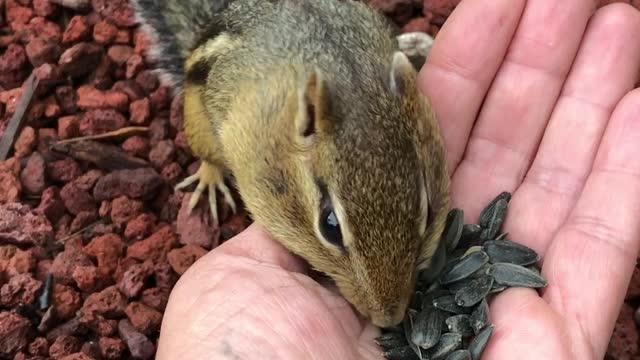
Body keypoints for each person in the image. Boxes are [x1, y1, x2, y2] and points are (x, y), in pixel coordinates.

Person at [155, 0, 640, 358]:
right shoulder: (270, 134)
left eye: (423, 213)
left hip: (338, 51)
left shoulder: (405, 108)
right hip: (244, 58)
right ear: (303, 122)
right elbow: (230, 120)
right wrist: (217, 164)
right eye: (332, 225)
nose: (388, 312)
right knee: (211, 142)